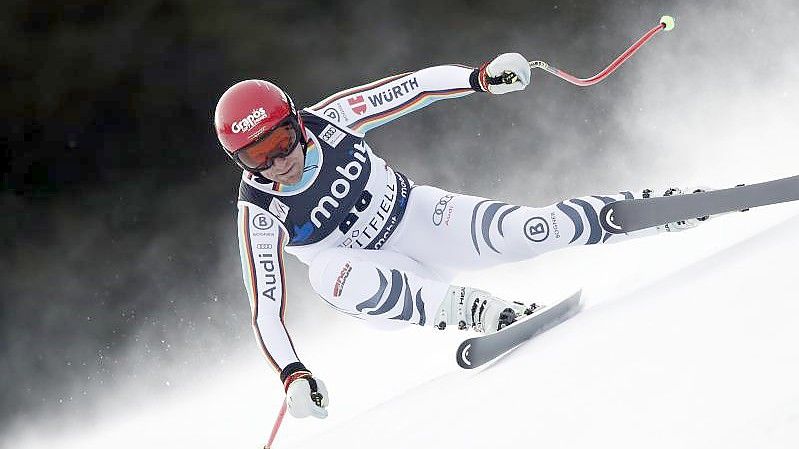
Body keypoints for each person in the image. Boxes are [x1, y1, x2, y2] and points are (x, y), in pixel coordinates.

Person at [213, 53, 701, 419]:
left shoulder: (333, 119)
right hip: (381, 284)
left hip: (417, 219)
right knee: (327, 274)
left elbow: (415, 87)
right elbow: (266, 309)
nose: (280, 163)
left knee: (524, 230)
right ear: (242, 163)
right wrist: (293, 375)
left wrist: (482, 78)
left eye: (280, 143)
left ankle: (654, 209)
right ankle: (487, 312)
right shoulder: (258, 211)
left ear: (297, 123)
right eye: (259, 158)